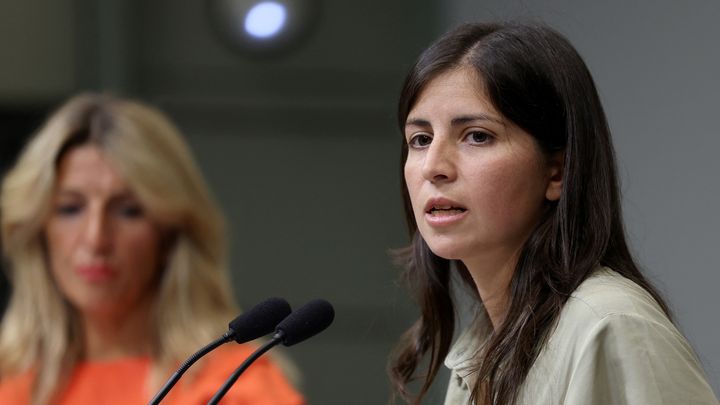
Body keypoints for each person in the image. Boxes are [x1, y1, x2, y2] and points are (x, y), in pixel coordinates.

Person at [388, 22, 719, 405]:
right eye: (421, 139)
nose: (433, 166)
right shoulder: (487, 345)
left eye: (477, 135)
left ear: (557, 172)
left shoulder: (609, 325)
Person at [0, 93, 304, 405]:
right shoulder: (9, 383)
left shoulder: (235, 386)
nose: (95, 238)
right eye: (70, 208)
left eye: (129, 210)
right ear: (38, 230)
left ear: (169, 235)